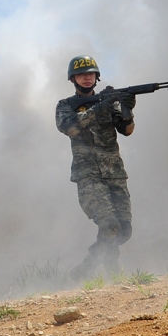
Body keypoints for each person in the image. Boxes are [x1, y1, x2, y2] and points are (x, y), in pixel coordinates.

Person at [55, 55, 136, 282]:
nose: (87, 78)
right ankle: (110, 275)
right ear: (73, 79)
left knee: (123, 230)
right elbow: (69, 128)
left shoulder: (109, 103)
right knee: (109, 225)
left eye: (90, 74)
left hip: (115, 174)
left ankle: (86, 267)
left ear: (97, 77)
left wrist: (127, 110)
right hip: (88, 175)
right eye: (82, 74)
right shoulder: (64, 106)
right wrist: (98, 109)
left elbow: (127, 130)